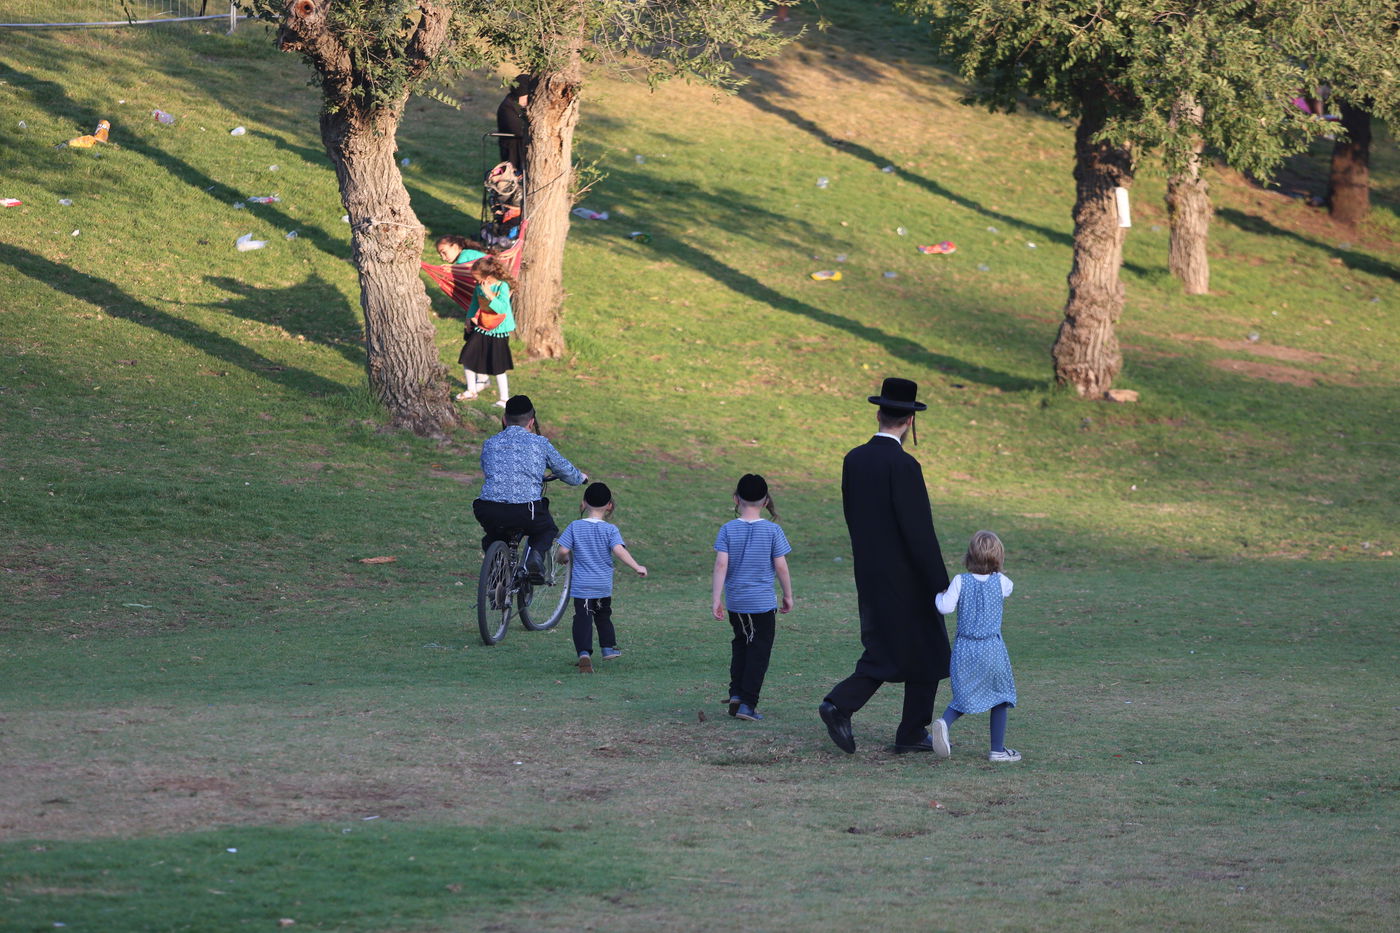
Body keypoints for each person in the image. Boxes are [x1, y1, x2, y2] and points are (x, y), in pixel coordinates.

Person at [819, 377, 951, 754]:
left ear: (878, 414)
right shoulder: (904, 465)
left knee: (900, 647)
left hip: (869, 570)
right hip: (908, 577)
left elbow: (853, 516)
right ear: (910, 420)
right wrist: (939, 582)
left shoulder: (854, 460)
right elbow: (918, 531)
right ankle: (843, 705)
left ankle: (909, 731)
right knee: (919, 649)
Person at [473, 395, 586, 579]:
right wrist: (580, 478)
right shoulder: (540, 443)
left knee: (493, 536)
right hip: (525, 511)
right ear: (532, 422)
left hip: (488, 509)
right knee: (546, 529)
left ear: (504, 419)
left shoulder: (490, 443)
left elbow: (489, 471)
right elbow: (565, 470)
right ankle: (534, 557)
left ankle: (496, 574)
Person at [931, 531, 1020, 762]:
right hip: (991, 649)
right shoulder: (1001, 582)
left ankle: (944, 722)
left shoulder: (960, 581)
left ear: (969, 555)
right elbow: (1009, 588)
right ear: (998, 557)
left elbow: (945, 607)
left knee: (964, 694)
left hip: (965, 648)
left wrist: (939, 596)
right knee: (1000, 696)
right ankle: (997, 750)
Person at [712, 474, 794, 722]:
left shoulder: (728, 529)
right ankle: (748, 704)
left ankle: (737, 694)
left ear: (736, 499)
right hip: (761, 604)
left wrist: (716, 599)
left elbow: (721, 565)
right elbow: (781, 566)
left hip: (736, 603)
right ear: (766, 501)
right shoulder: (773, 530)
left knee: (741, 645)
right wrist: (788, 595)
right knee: (758, 652)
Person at [557, 482, 648, 673]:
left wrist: (562, 559)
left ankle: (584, 653)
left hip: (582, 585)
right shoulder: (610, 530)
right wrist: (636, 566)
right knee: (603, 615)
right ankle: (607, 648)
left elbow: (563, 550)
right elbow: (619, 551)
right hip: (602, 585)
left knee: (582, 617)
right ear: (609, 505)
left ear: (584, 503)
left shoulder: (575, 526)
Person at [457, 256, 515, 405]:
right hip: (483, 327)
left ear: (488, 277)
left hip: (499, 331)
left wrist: (488, 293)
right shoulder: (479, 287)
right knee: (468, 356)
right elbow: (474, 304)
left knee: (498, 365)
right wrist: (469, 318)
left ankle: (504, 399)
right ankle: (471, 390)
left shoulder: (502, 286)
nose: (475, 282)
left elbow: (502, 309)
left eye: (477, 279)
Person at [495, 73, 536, 173]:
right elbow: (516, 129)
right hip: (513, 151)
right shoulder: (507, 107)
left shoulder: (519, 105)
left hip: (522, 148)